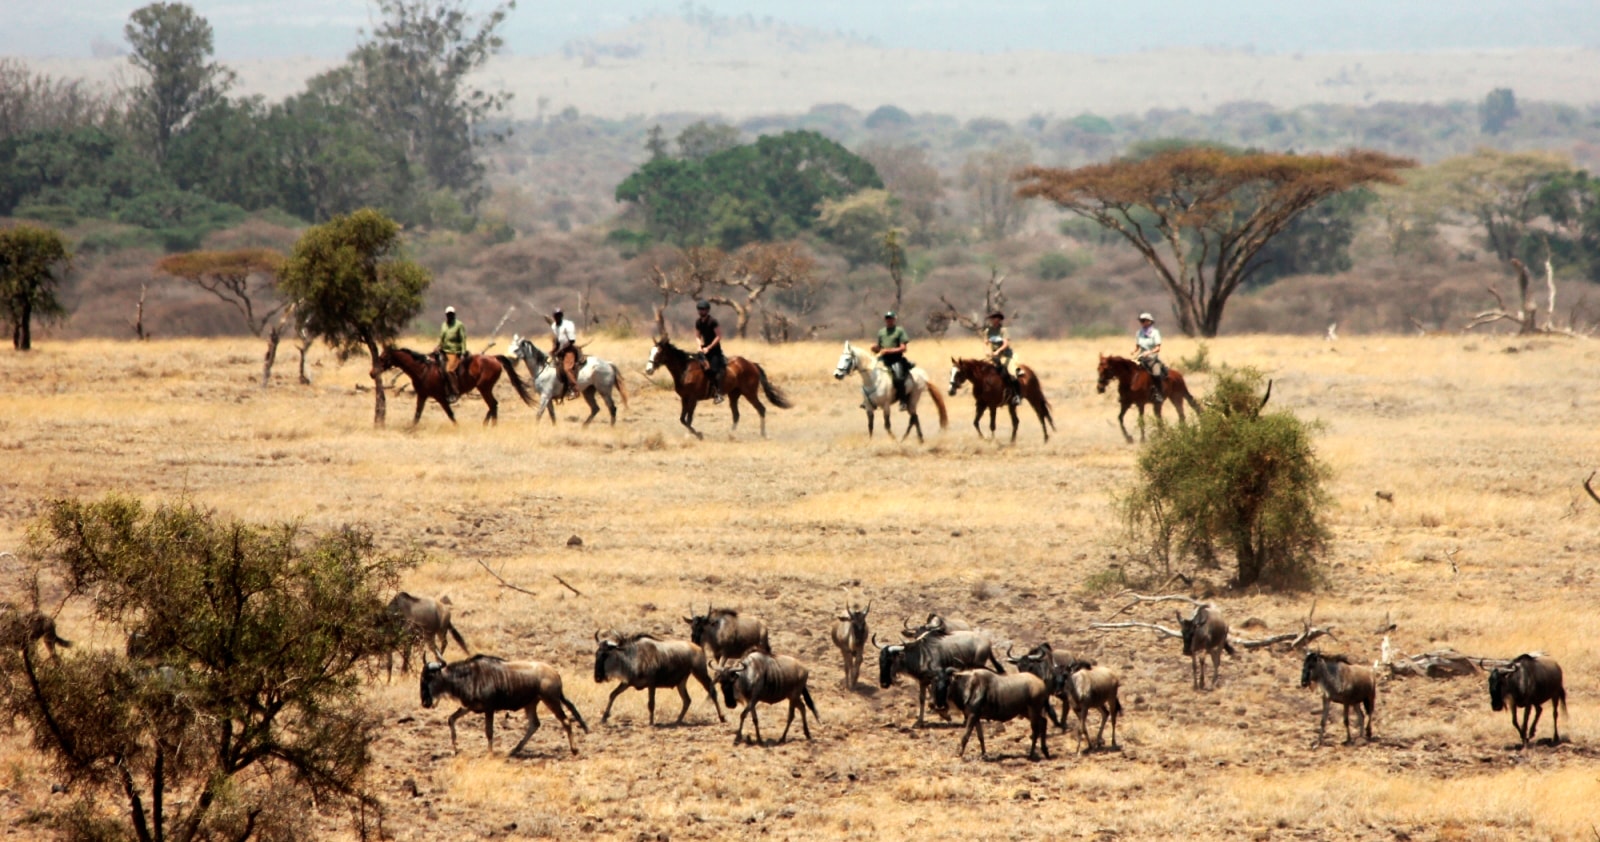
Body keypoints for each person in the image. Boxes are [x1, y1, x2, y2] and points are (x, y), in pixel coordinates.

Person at [873, 311, 911, 409]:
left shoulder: (899, 331)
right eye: (887, 318)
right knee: (871, 374)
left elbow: (903, 348)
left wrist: (889, 351)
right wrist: (875, 348)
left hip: (896, 359)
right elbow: (880, 347)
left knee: (898, 378)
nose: (889, 320)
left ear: (895, 319)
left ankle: (903, 401)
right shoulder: (881, 332)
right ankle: (870, 400)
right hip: (883, 359)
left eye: (891, 318)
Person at [986, 311, 1022, 406]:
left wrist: (998, 351)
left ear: (999, 319)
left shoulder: (1003, 330)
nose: (992, 320)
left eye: (994, 318)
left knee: (1012, 373)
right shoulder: (988, 331)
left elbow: (1006, 343)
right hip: (993, 356)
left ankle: (1017, 396)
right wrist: (987, 351)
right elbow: (986, 343)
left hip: (1006, 355)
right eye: (992, 318)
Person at [694, 300, 726, 404]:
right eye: (699, 309)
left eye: (703, 309)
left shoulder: (713, 321)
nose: (701, 311)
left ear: (707, 310)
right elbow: (697, 336)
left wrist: (709, 347)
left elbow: (719, 336)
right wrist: (699, 346)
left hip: (714, 350)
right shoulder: (698, 322)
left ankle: (718, 393)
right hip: (704, 348)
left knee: (714, 370)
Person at [1134, 311, 1166, 403]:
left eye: (1143, 320)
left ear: (1149, 321)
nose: (1142, 323)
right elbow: (1137, 346)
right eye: (1141, 321)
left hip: (1152, 358)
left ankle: (1159, 394)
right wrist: (1133, 351)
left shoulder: (1155, 333)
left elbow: (1158, 348)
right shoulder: (1139, 333)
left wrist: (1149, 352)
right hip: (1140, 357)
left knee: (1156, 374)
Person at [550, 306, 580, 400]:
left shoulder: (568, 325)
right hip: (560, 350)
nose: (557, 317)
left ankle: (575, 390)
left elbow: (572, 340)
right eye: (555, 315)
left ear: (562, 316)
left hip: (569, 350)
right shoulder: (554, 326)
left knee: (567, 369)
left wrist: (562, 350)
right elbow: (558, 339)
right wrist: (554, 350)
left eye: (559, 315)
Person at [438, 305, 466, 402]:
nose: (450, 316)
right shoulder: (444, 325)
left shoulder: (459, 325)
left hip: (454, 351)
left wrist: (462, 352)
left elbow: (463, 339)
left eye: (451, 314)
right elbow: (441, 338)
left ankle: (455, 392)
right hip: (444, 350)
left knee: (449, 370)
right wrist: (438, 346)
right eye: (448, 314)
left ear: (454, 315)